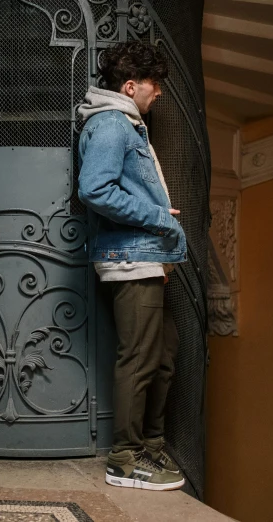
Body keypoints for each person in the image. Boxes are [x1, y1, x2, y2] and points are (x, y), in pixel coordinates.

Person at [77, 41, 187, 491]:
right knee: (140, 360)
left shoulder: (128, 125)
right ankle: (124, 460)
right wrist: (159, 217)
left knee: (163, 357)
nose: (157, 92)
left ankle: (151, 445)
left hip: (147, 258)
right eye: (153, 84)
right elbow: (95, 190)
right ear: (129, 86)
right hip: (130, 258)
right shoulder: (110, 125)